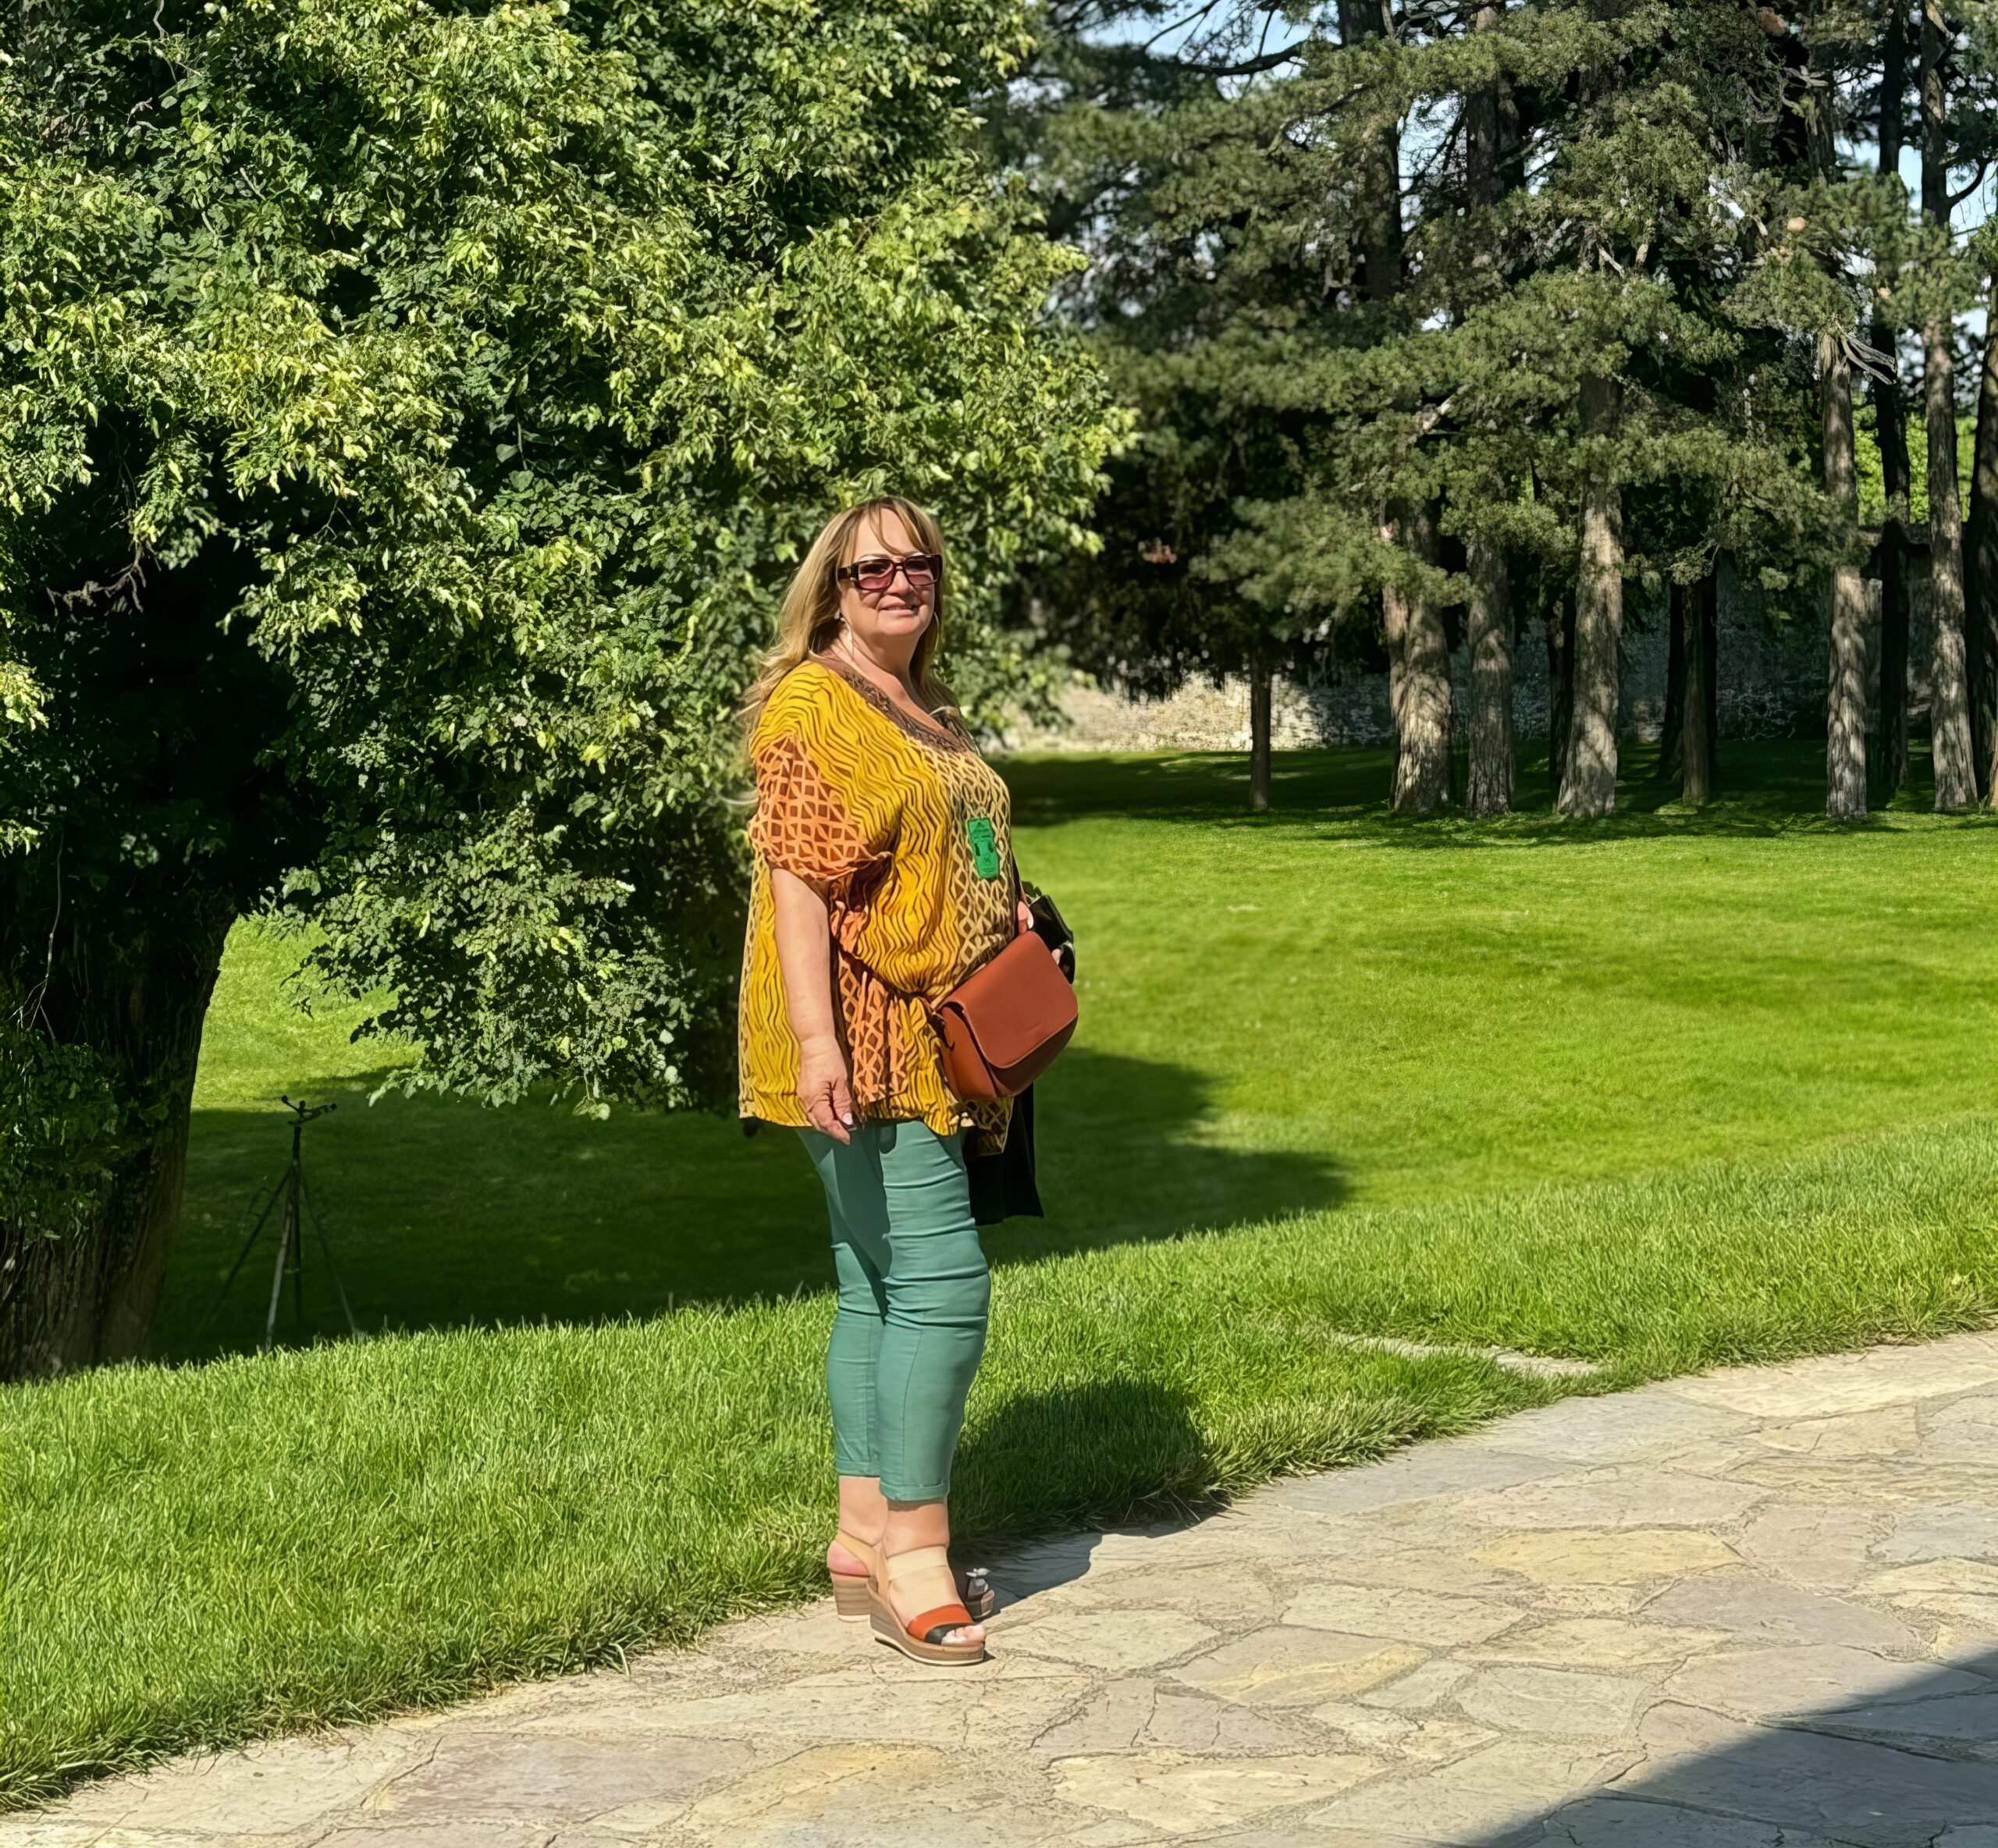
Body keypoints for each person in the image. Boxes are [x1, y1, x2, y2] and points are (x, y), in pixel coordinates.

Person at [736, 495, 1058, 1666]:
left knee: (874, 1282)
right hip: (866, 1033)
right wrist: (816, 1044)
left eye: (917, 564)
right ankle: (915, 1553)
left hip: (941, 1023)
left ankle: (862, 1526)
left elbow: (956, 843)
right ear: (832, 589)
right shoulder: (814, 706)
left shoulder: (922, 708)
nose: (899, 582)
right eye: (870, 569)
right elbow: (798, 885)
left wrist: (1006, 909)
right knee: (944, 1283)